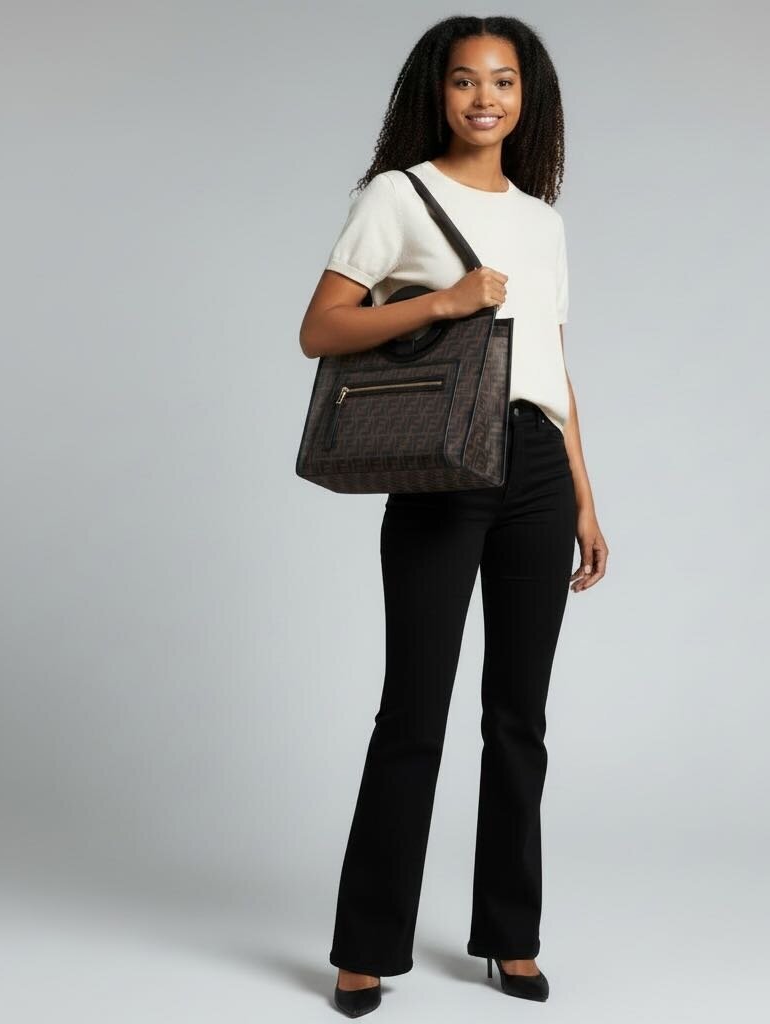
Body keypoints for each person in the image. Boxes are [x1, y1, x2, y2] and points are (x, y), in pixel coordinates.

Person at [298, 15, 608, 1018]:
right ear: (439, 92)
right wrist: (443, 302)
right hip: (442, 465)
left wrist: (585, 497)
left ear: (527, 97)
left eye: (503, 81)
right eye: (466, 80)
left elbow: (553, 364)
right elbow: (320, 328)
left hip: (536, 466)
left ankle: (511, 935)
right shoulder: (397, 196)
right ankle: (365, 946)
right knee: (414, 711)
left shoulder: (543, 220)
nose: (485, 97)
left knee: (520, 715)